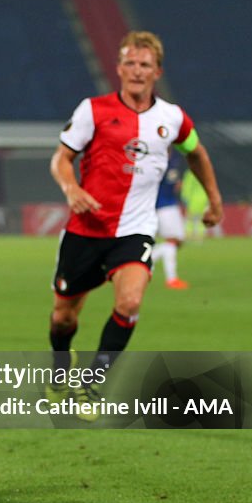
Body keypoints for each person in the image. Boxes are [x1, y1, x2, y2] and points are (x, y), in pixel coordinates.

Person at [45, 31, 223, 418]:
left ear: (156, 71)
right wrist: (71, 187)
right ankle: (61, 364)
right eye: (130, 62)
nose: (137, 70)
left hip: (135, 230)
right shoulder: (92, 110)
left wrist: (214, 198)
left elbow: (197, 153)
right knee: (63, 316)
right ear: (119, 68)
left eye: (145, 64)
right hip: (85, 231)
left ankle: (93, 383)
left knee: (130, 301)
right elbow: (61, 158)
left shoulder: (172, 118)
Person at [151, 151, 188, 289]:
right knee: (173, 241)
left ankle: (147, 261)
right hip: (164, 206)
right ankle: (171, 279)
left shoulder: (174, 160)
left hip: (166, 205)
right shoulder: (161, 162)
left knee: (176, 242)